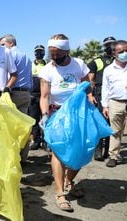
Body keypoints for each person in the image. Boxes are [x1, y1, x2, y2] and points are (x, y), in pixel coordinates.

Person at [38, 33, 90, 212]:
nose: (54, 57)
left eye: (58, 54)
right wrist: (45, 114)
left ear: (67, 51)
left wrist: (90, 96)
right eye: (51, 53)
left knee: (83, 150)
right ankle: (60, 193)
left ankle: (69, 180)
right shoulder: (47, 69)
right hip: (57, 113)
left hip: (79, 114)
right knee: (59, 152)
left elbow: (87, 85)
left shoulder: (79, 65)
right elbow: (44, 96)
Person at [0, 34, 33, 162]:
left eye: (3, 44)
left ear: (11, 43)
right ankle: (22, 157)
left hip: (12, 93)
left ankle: (11, 158)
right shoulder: (26, 57)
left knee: (8, 127)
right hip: (25, 93)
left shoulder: (9, 55)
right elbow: (29, 76)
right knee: (23, 126)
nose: (1, 48)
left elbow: (9, 75)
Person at [88, 36, 116, 161]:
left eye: (112, 44)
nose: (110, 47)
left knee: (112, 123)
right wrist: (91, 95)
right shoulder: (96, 61)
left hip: (115, 94)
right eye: (108, 44)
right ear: (104, 47)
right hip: (99, 93)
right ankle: (98, 150)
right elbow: (91, 80)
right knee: (100, 121)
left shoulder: (119, 61)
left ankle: (109, 151)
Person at [101, 40, 127, 168]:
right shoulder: (109, 70)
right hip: (115, 103)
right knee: (115, 131)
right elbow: (105, 88)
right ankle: (113, 156)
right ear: (114, 53)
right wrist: (105, 105)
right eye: (121, 52)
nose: (124, 53)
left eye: (126, 50)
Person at [29, 45, 47, 150]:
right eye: (37, 52)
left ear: (44, 53)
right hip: (33, 95)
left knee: (45, 117)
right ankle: (36, 140)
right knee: (34, 119)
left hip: (44, 95)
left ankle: (45, 141)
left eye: (41, 51)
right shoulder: (30, 65)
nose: (39, 53)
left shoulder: (48, 64)